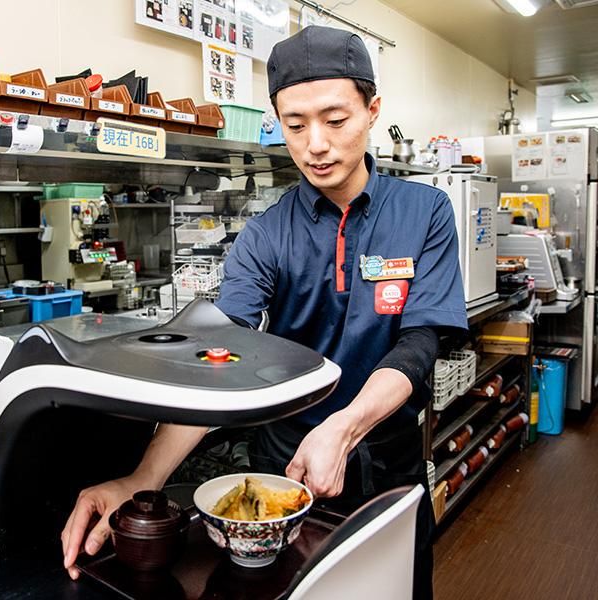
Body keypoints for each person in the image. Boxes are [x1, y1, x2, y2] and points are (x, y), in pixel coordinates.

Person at [61, 25, 467, 599]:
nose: (316, 145)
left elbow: (420, 341)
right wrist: (144, 478)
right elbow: (219, 353)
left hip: (385, 459)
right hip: (284, 468)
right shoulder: (267, 234)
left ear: (372, 111)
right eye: (295, 126)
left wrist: (343, 428)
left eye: (335, 120)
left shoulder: (425, 211)